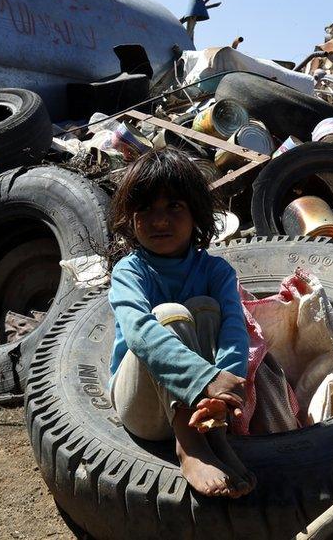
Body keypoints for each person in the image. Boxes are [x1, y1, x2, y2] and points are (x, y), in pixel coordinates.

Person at [107, 146, 255, 498]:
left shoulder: (216, 270)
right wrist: (206, 379)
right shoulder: (130, 271)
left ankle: (212, 435)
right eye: (146, 209)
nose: (160, 220)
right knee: (167, 315)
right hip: (141, 410)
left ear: (196, 214)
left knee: (206, 307)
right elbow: (140, 334)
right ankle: (187, 444)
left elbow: (235, 328)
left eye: (174, 206)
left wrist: (226, 389)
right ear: (130, 219)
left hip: (206, 406)